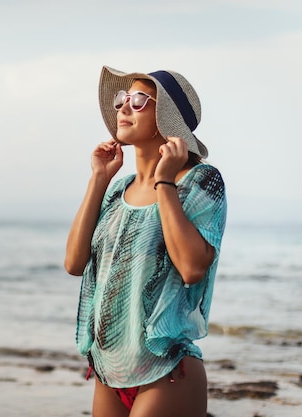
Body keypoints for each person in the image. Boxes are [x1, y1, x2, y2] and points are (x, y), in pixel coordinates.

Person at [64, 66, 227, 417]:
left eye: (139, 101)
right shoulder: (118, 190)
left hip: (167, 371)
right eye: (121, 99)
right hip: (110, 369)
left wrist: (164, 182)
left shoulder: (200, 182)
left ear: (166, 118)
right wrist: (98, 180)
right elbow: (74, 263)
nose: (123, 107)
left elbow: (192, 267)